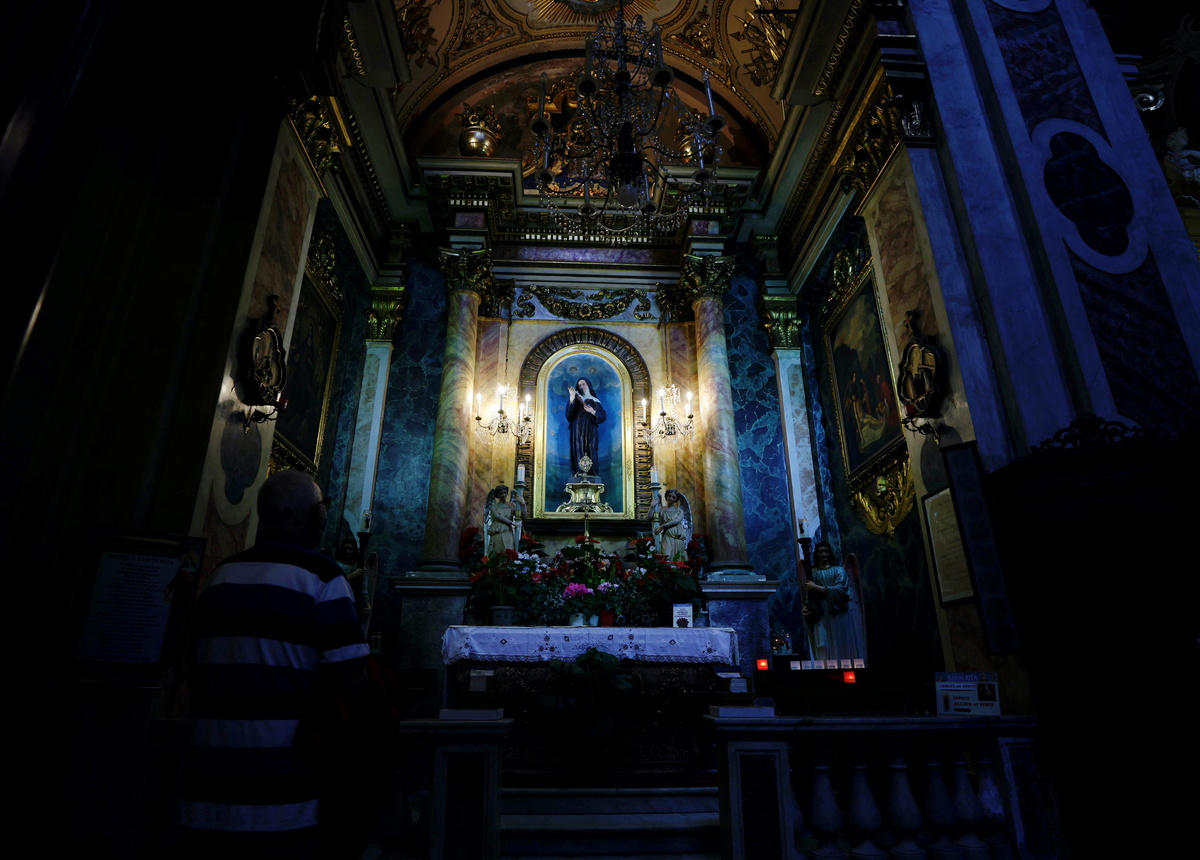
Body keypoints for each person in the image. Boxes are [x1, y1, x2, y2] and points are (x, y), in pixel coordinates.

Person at [179, 470, 369, 859]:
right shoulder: (322, 577)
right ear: (317, 517)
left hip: (209, 784)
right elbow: (354, 680)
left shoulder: (220, 575)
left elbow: (194, 670)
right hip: (281, 790)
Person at [803, 541, 866, 664]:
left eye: (826, 551)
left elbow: (841, 590)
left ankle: (842, 667)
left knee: (839, 642)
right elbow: (809, 594)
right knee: (822, 644)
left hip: (837, 611)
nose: (824, 554)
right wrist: (807, 606)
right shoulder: (813, 572)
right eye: (821, 552)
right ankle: (825, 668)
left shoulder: (839, 571)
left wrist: (815, 587)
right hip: (821, 612)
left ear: (830, 553)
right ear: (817, 554)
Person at [565, 377, 605, 476]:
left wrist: (593, 411)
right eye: (579, 385)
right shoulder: (576, 399)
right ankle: (578, 471)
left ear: (588, 385)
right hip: (577, 430)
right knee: (578, 448)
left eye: (583, 384)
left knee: (590, 448)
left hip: (590, 430)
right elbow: (568, 414)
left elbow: (602, 416)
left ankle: (590, 473)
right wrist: (572, 397)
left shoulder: (595, 400)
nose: (581, 386)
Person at [653, 488, 692, 562]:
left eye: (674, 497)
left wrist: (662, 527)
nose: (671, 498)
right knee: (666, 556)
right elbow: (659, 520)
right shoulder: (662, 509)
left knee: (677, 559)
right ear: (666, 496)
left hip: (677, 538)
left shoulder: (679, 510)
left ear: (676, 499)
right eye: (669, 496)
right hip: (667, 536)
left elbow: (676, 521)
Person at [485, 484, 517, 555]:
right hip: (498, 531)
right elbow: (497, 516)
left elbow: (519, 515)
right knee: (497, 553)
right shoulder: (494, 506)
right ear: (498, 495)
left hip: (507, 531)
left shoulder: (511, 505)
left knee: (508, 552)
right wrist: (511, 523)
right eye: (501, 493)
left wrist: (522, 504)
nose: (503, 495)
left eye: (505, 492)